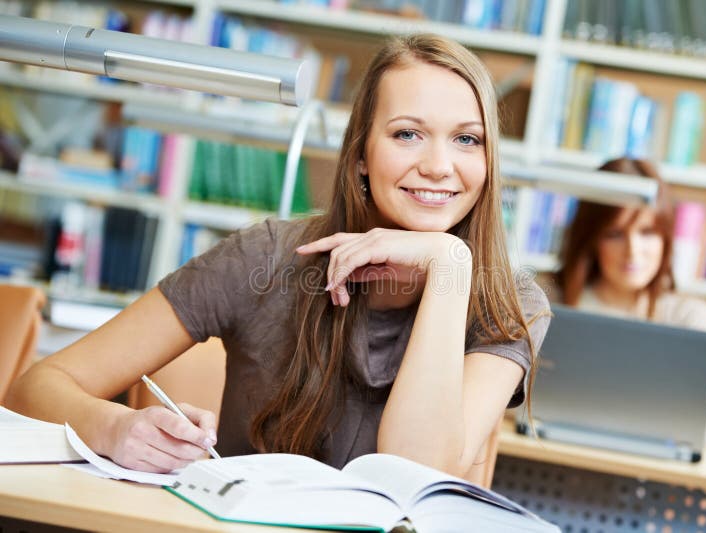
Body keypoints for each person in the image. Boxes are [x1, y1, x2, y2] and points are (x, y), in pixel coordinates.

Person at [6, 34, 550, 477]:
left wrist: (449, 262)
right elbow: (35, 387)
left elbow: (415, 472)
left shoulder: (513, 304)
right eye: (407, 134)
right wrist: (113, 428)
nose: (438, 166)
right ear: (361, 153)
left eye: (467, 140)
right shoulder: (265, 258)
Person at [555, 157, 706, 445]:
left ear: (666, 238)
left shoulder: (690, 317)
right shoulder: (546, 300)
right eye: (615, 234)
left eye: (647, 232)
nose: (633, 251)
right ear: (591, 240)